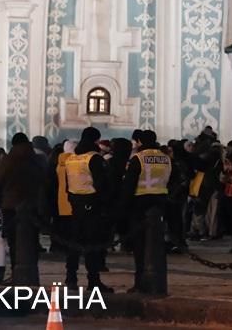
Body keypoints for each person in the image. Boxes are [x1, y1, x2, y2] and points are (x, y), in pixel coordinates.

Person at [120, 129, 171, 295]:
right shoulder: (165, 158)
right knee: (156, 245)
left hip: (140, 203)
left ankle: (141, 282)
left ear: (140, 141)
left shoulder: (138, 158)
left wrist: (123, 206)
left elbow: (129, 185)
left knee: (140, 247)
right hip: (161, 202)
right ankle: (156, 281)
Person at [64, 126, 112, 293]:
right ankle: (93, 280)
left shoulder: (71, 159)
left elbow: (67, 184)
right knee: (92, 244)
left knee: (74, 243)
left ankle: (71, 277)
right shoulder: (94, 158)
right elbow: (102, 184)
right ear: (95, 140)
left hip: (75, 205)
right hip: (93, 206)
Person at [0, 133, 42, 281]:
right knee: (32, 242)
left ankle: (17, 273)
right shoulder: (37, 159)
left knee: (14, 243)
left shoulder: (9, 160)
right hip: (33, 205)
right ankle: (32, 273)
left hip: (11, 206)